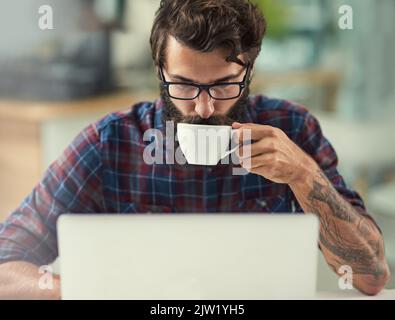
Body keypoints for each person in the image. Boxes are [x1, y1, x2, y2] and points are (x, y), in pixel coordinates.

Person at [0, 0, 390, 299]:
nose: (204, 108)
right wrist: (91, 290)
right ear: (160, 70)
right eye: (184, 85)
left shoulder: (291, 128)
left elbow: (370, 277)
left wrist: (304, 176)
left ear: (248, 71)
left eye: (223, 85)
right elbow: (5, 267)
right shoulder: (110, 143)